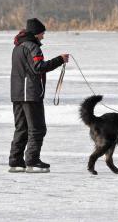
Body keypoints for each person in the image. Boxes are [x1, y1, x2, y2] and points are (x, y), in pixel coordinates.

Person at [9, 18, 69, 173]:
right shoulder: (33, 47)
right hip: (30, 94)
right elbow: (39, 67)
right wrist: (60, 60)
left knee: (21, 128)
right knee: (37, 129)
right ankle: (32, 161)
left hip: (17, 94)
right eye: (42, 33)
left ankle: (16, 161)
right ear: (36, 33)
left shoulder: (18, 47)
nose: (43, 36)